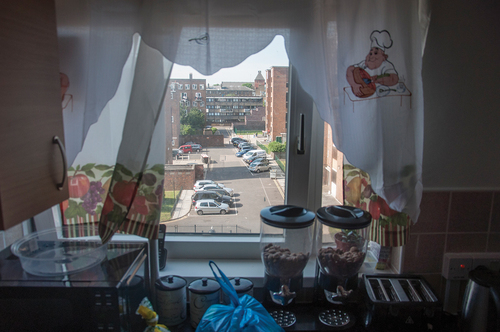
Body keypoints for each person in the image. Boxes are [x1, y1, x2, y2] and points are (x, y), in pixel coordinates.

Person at [346, 30, 399, 98]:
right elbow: (350, 69)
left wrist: (380, 79)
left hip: (383, 94)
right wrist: (354, 84)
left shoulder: (386, 65)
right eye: (370, 53)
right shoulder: (365, 64)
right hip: (363, 93)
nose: (372, 56)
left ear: (383, 56)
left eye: (376, 53)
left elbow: (394, 79)